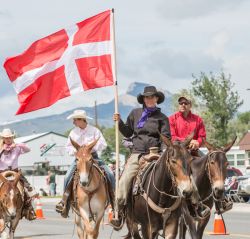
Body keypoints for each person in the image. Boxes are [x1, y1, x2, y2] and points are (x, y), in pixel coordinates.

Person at [110, 85, 171, 229]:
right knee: (124, 181)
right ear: (143, 99)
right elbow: (127, 132)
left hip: (155, 153)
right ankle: (119, 213)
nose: (149, 99)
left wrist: (162, 153)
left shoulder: (162, 118)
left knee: (173, 176)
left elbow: (166, 138)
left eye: (152, 97)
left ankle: (182, 207)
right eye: (147, 97)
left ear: (157, 99)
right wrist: (119, 122)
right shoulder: (135, 113)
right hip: (137, 153)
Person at [169, 96, 232, 215]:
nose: (183, 105)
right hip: (178, 153)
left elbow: (202, 137)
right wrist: (188, 141)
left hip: (194, 152)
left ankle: (222, 201)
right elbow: (172, 137)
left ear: (190, 105)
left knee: (213, 163)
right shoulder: (172, 119)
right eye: (181, 103)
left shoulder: (197, 120)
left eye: (185, 103)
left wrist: (197, 142)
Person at [55, 109, 115, 218]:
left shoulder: (94, 131)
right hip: (78, 159)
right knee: (67, 176)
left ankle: (114, 200)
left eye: (75, 120)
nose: (73, 122)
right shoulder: (73, 132)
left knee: (110, 173)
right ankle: (65, 202)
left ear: (81, 120)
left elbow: (103, 144)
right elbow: (68, 146)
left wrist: (89, 149)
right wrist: (75, 152)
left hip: (93, 157)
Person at [0, 128, 38, 220]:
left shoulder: (16, 148)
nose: (8, 139)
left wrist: (17, 144)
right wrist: (2, 149)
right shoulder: (0, 148)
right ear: (3, 138)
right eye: (6, 138)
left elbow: (28, 149)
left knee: (28, 187)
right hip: (2, 172)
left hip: (15, 172)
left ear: (12, 137)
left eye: (10, 137)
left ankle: (29, 209)